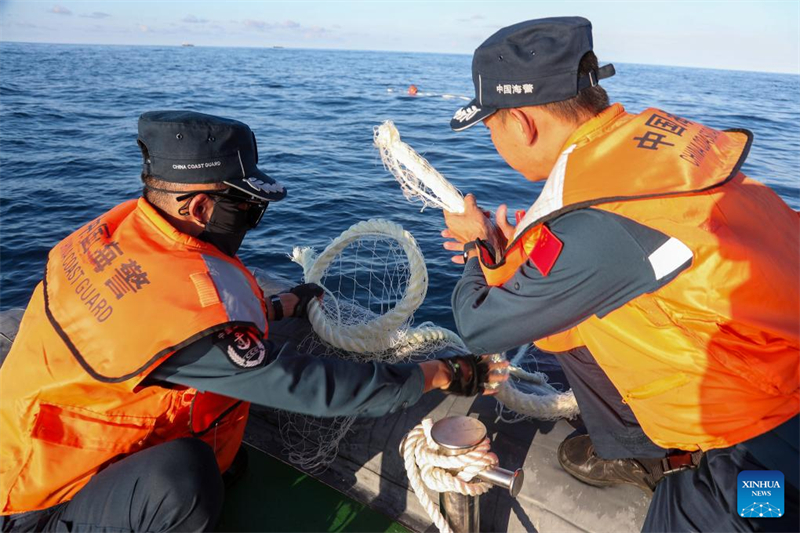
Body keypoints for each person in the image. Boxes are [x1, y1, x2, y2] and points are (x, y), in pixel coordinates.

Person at [0, 111, 509, 532]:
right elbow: (309, 385)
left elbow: (154, 322)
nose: (251, 222)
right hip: (35, 501)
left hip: (38, 444)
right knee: (186, 481)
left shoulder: (116, 234)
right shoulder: (176, 305)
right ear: (201, 207)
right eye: (248, 210)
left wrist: (278, 307)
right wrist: (441, 372)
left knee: (227, 462)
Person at [441, 17, 798, 532]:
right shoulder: (648, 154)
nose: (494, 140)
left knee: (738, 513)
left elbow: (480, 324)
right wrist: (509, 256)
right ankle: (642, 453)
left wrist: (477, 243)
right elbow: (599, 265)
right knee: (568, 321)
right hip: (773, 362)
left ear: (521, 123)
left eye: (490, 127)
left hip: (760, 448)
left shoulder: (602, 221)